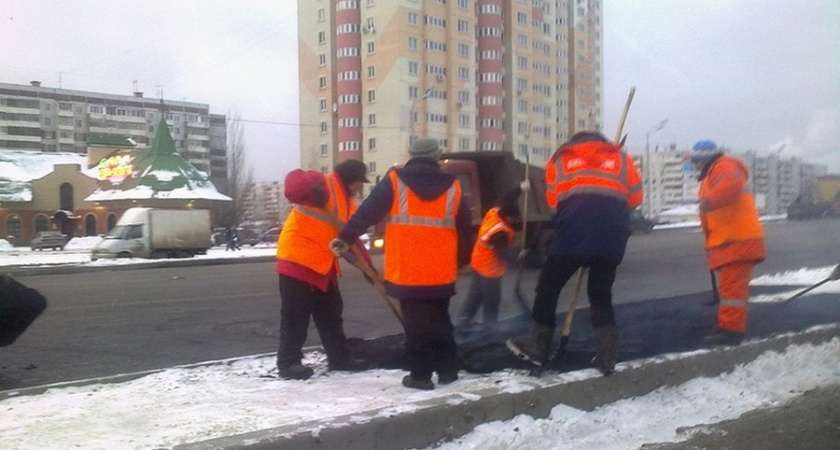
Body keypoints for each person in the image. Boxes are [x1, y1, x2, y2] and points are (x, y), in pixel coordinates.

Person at [329, 138, 472, 390]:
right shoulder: (454, 187)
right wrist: (462, 261)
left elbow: (367, 213)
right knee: (440, 320)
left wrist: (345, 237)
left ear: (411, 155)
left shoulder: (395, 181)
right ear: (436, 156)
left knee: (416, 325)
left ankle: (421, 376)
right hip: (441, 271)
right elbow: (464, 231)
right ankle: (448, 370)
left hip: (408, 271)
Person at [506, 131, 642, 376]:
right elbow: (636, 198)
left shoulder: (559, 160)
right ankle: (607, 355)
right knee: (600, 293)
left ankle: (538, 346)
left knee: (548, 287)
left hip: (574, 230)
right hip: (613, 233)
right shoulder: (621, 158)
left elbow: (553, 205)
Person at [274, 159, 370, 380]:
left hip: (322, 265)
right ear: (351, 180)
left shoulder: (348, 202)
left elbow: (352, 240)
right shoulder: (323, 183)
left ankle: (340, 359)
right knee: (295, 316)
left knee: (331, 314)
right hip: (297, 259)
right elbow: (292, 184)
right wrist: (311, 188)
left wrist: (368, 269)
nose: (360, 188)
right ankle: (288, 364)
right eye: (359, 183)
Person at [691, 142, 765, 344]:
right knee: (730, 288)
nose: (695, 166)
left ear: (705, 159)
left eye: (696, 161)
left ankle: (730, 332)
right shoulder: (712, 174)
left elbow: (731, 185)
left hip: (738, 240)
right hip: (731, 241)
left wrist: (710, 201)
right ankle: (729, 325)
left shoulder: (722, 166)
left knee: (733, 290)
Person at [456, 188, 523, 338]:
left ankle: (462, 324)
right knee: (492, 300)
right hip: (490, 269)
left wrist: (519, 188)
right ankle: (490, 329)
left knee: (475, 296)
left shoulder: (493, 213)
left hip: (477, 262)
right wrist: (519, 256)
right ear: (508, 217)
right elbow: (503, 255)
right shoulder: (500, 232)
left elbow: (505, 196)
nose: (515, 221)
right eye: (514, 218)